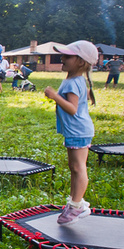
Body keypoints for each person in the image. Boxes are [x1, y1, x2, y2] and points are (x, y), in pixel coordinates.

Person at [44, 40, 98, 225]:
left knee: (78, 168)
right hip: (76, 131)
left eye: (67, 56)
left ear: (81, 62)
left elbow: (72, 109)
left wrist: (55, 97)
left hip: (78, 130)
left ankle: (76, 206)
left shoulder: (74, 82)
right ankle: (77, 201)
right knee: (74, 167)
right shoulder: (75, 80)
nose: (62, 58)